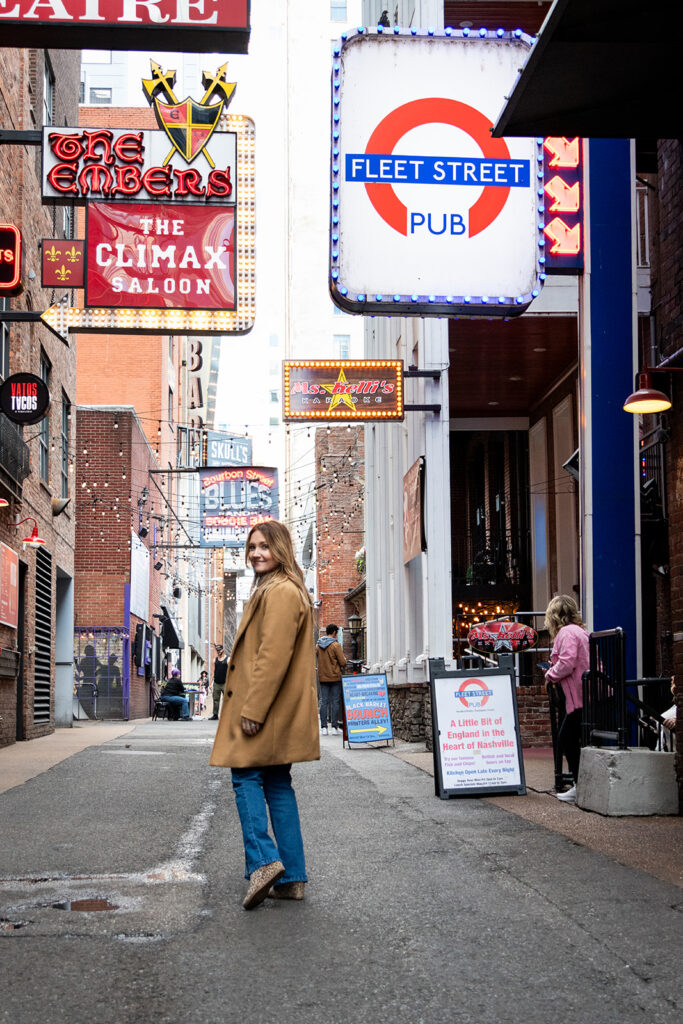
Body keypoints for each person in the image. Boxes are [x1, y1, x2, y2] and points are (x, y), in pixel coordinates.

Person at [209, 521, 320, 910]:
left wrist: (253, 710)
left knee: (245, 777)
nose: (256, 552)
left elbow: (271, 657)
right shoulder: (282, 589)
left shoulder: (282, 592)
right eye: (252, 546)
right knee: (276, 783)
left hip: (264, 710)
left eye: (264, 546)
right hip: (276, 710)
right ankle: (291, 878)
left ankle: (264, 862)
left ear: (281, 549)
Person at [543, 594, 590, 804]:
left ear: (554, 615)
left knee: (566, 739)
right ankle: (581, 786)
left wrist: (549, 674)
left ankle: (580, 787)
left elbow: (567, 662)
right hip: (587, 694)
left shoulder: (566, 633)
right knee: (575, 739)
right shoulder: (580, 631)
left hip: (579, 696)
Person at [316, 623, 347, 735]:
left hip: (323, 677)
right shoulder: (335, 645)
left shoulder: (318, 645)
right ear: (334, 632)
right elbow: (343, 662)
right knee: (335, 702)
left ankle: (324, 727)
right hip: (334, 677)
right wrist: (345, 660)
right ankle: (334, 727)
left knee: (323, 702)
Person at [210, 645, 228, 720]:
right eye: (217, 650)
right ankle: (215, 715)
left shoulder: (228, 659)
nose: (218, 651)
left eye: (220, 650)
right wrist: (210, 683)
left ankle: (227, 715)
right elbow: (213, 672)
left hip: (225, 683)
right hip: (217, 683)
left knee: (227, 700)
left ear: (223, 650)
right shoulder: (215, 660)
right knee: (215, 700)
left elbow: (231, 672)